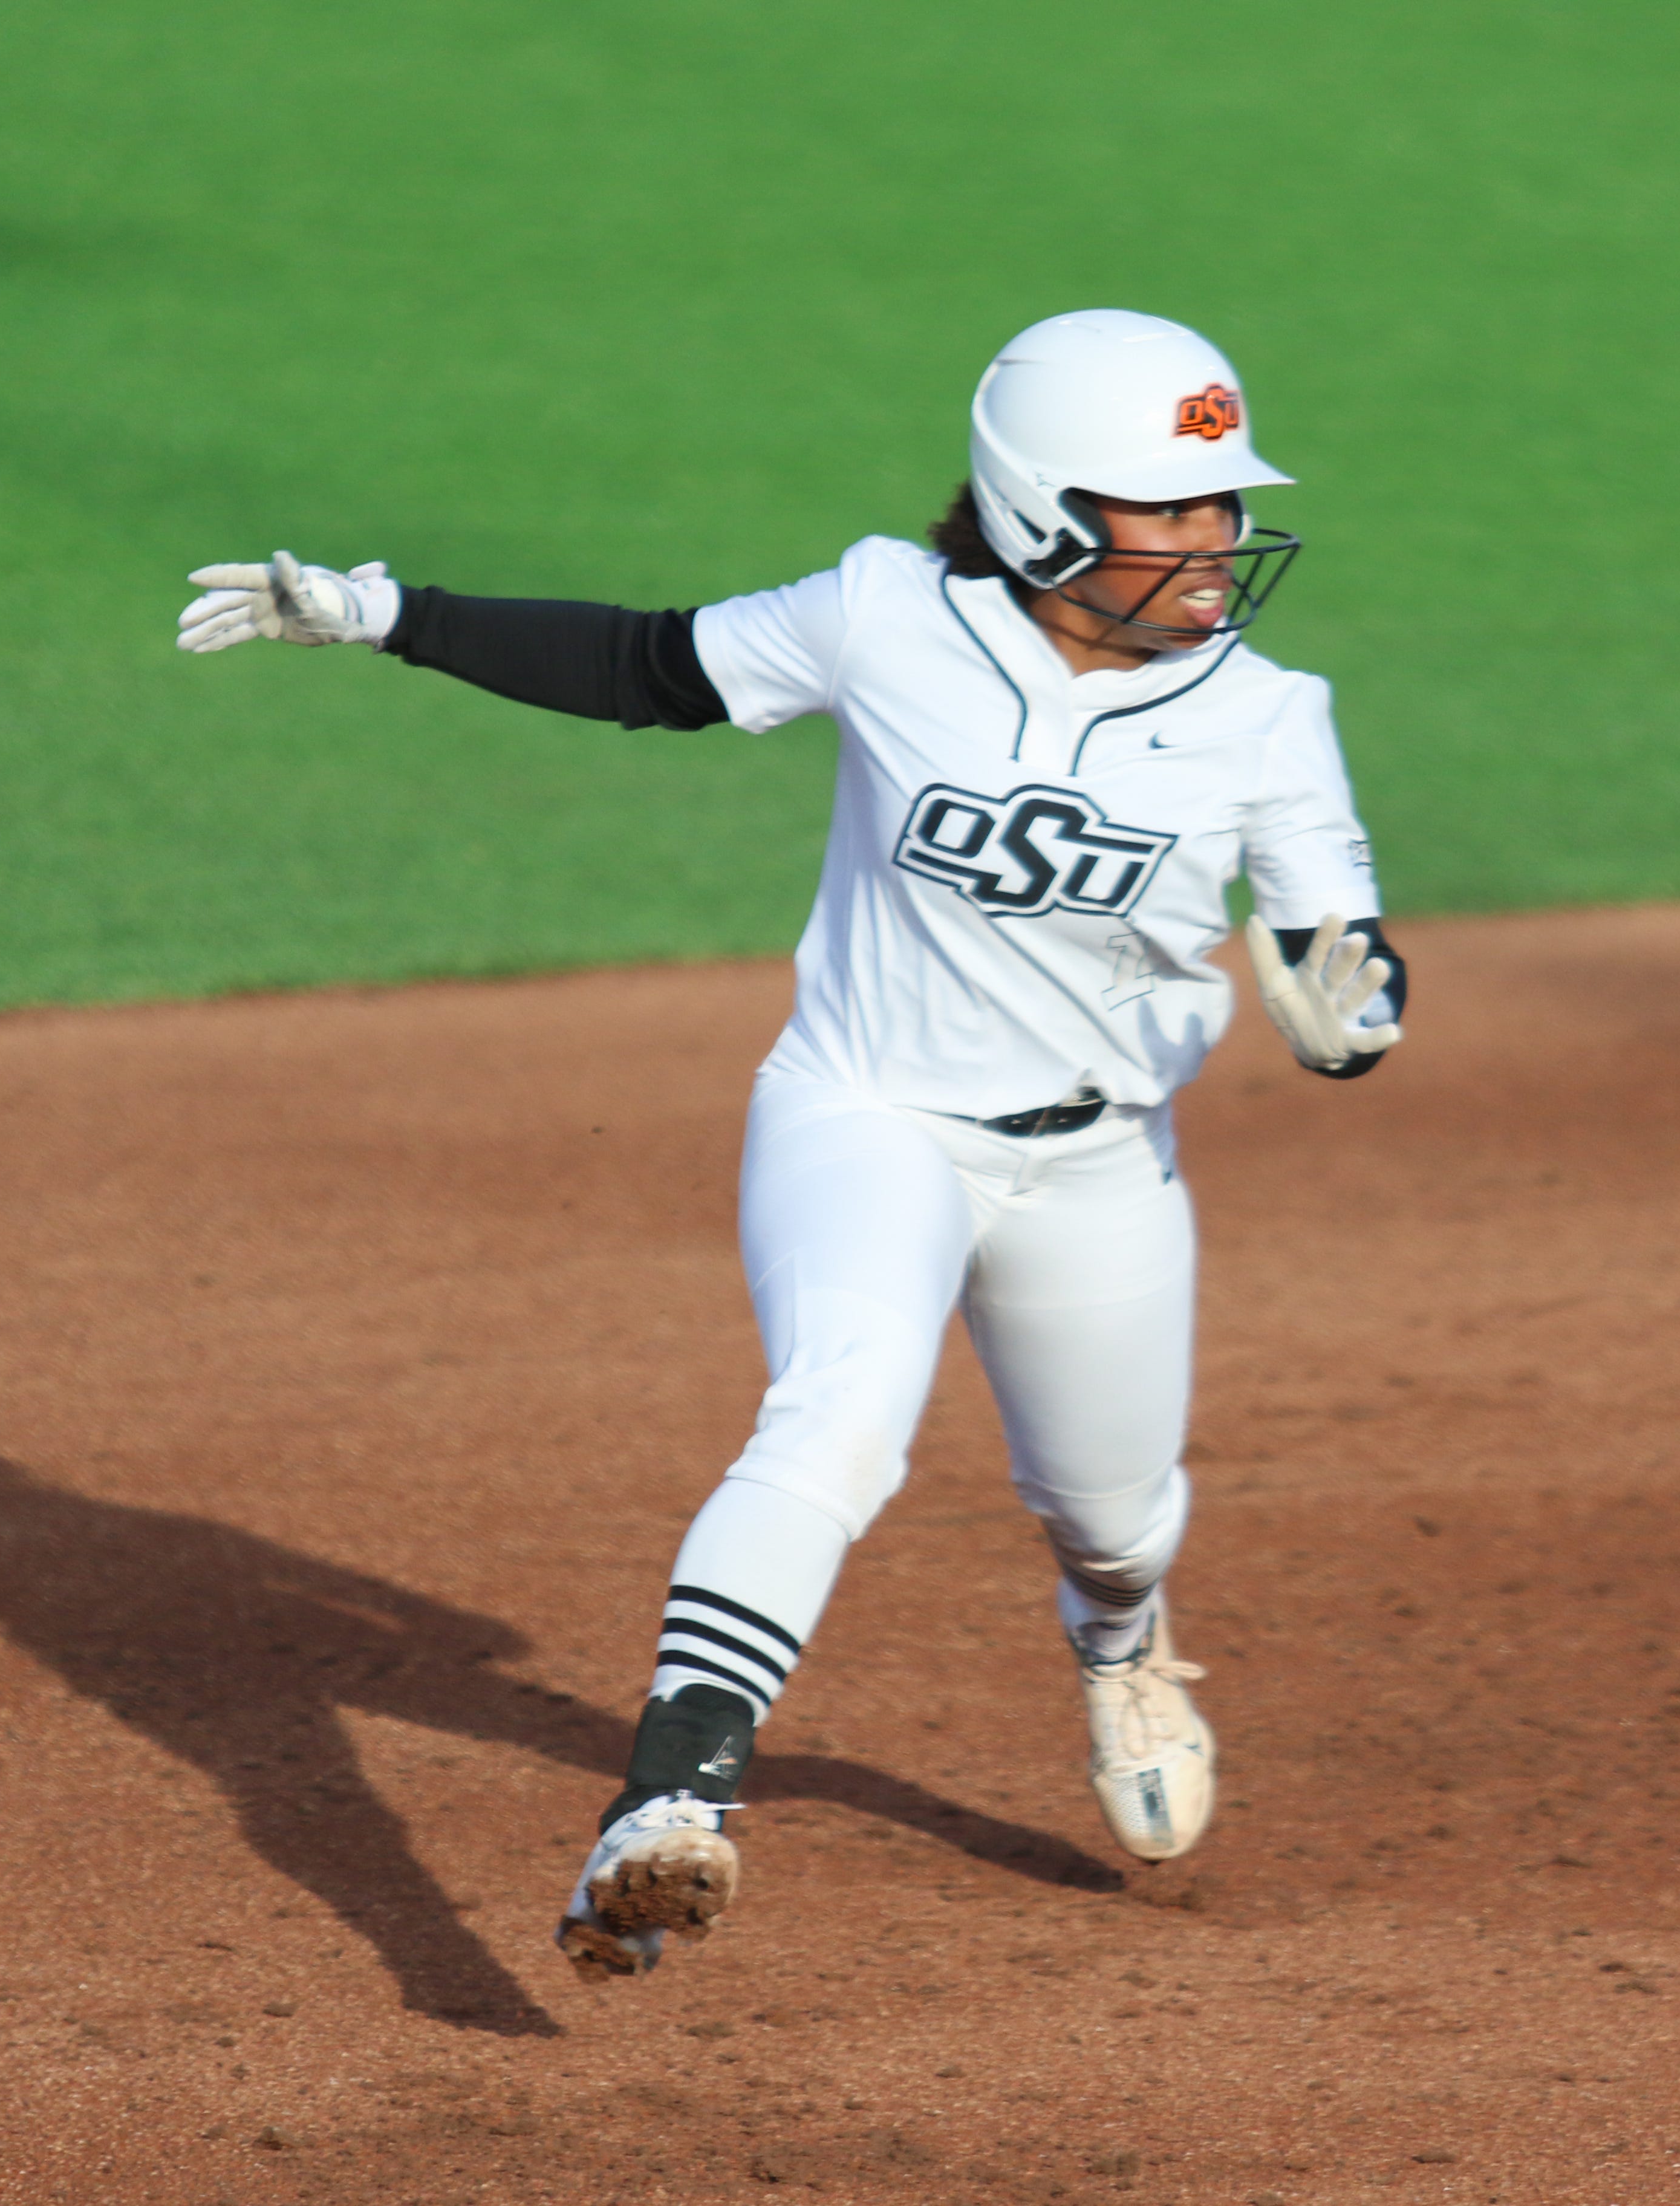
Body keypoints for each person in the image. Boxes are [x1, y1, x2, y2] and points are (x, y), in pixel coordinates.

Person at [175, 308, 1405, 1977]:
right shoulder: (885, 617)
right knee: (833, 1421)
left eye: (1221, 504)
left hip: (1098, 1162)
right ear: (1047, 506)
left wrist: (1353, 1005)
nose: (1215, 541)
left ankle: (1122, 1649)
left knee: (1115, 1523)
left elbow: (1343, 936)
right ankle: (670, 1808)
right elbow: (647, 666)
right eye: (1169, 508)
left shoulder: (1271, 714)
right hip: (866, 1111)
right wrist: (382, 613)